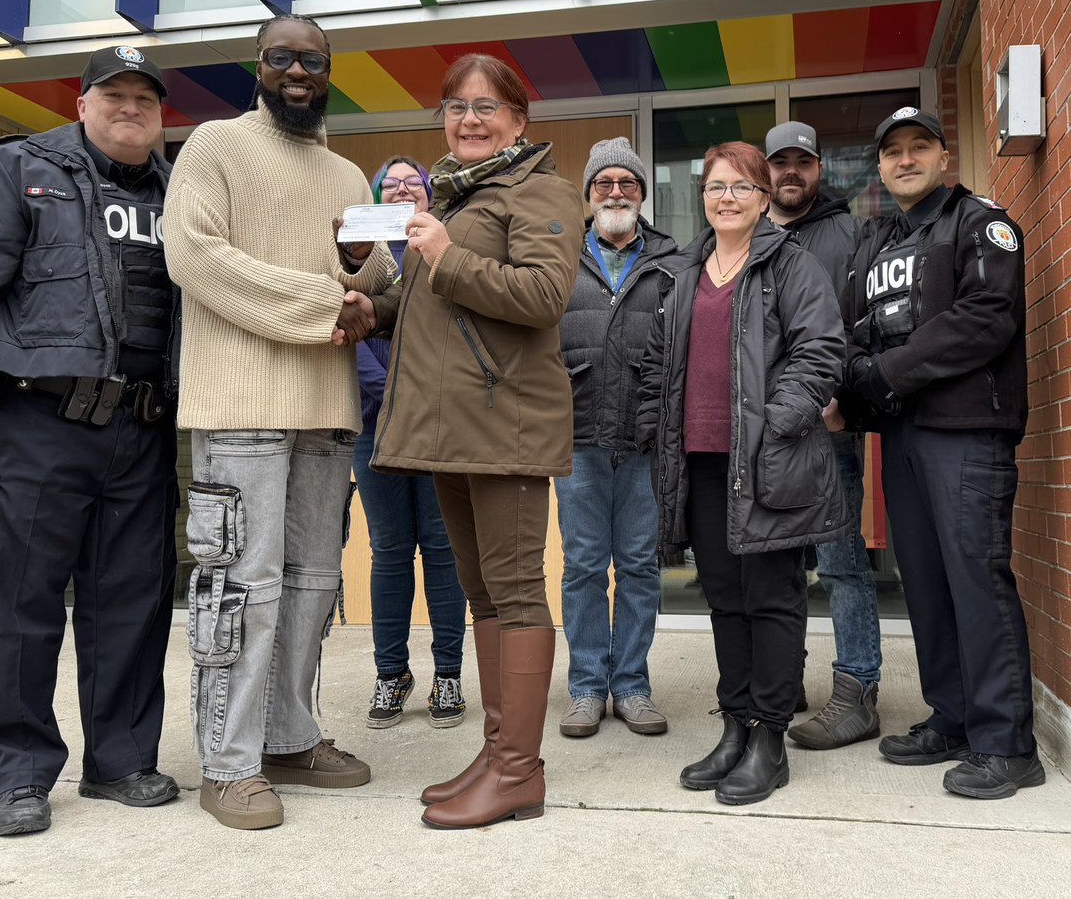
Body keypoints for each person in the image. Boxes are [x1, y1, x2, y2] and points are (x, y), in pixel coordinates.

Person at [0, 45, 181, 836]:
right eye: (114, 94)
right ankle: (20, 772)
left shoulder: (180, 191)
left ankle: (122, 760)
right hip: (40, 423)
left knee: (132, 602)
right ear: (82, 102)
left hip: (143, 428)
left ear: (161, 113)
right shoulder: (18, 170)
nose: (130, 108)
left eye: (145, 98)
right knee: (23, 603)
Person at [163, 13, 395, 830]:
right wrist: (325, 301)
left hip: (325, 412)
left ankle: (289, 736)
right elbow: (192, 255)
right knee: (240, 588)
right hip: (241, 408)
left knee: (310, 587)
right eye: (283, 57)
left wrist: (365, 281)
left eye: (314, 60)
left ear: (331, 71)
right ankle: (227, 764)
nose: (298, 70)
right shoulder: (214, 146)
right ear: (257, 65)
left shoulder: (347, 174)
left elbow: (378, 281)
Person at [344, 53, 584, 829]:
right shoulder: (460, 194)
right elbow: (429, 310)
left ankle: (519, 769)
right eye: (455, 106)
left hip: (505, 424)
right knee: (483, 596)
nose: (469, 119)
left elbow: (543, 296)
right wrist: (370, 307)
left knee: (515, 594)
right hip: (450, 430)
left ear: (519, 119)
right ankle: (496, 753)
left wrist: (446, 255)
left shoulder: (540, 190)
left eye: (486, 106)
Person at [637, 141, 847, 806]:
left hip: (768, 460)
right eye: (715, 185)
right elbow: (655, 360)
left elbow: (822, 350)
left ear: (763, 198)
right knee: (723, 598)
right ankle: (736, 723)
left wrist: (775, 422)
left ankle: (770, 738)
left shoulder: (791, 264)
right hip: (698, 460)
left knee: (773, 599)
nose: (725, 196)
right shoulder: (683, 269)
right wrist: (653, 426)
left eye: (740, 186)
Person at [843, 107, 1043, 799]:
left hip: (965, 432)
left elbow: (985, 318)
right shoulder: (880, 240)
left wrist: (889, 369)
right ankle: (954, 716)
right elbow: (859, 330)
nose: (905, 159)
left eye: (918, 147)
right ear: (879, 164)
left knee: (975, 581)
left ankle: (1007, 742)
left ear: (941, 154)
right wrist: (860, 383)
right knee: (926, 585)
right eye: (892, 150)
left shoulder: (979, 222)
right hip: (900, 435)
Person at [764, 121, 883, 750]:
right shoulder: (744, 234)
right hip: (764, 429)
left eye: (801, 162)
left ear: (818, 168)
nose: (790, 172)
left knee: (840, 564)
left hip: (827, 423)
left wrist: (844, 402)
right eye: (779, 162)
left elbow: (863, 327)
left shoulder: (850, 233)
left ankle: (857, 689)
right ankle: (785, 681)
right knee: (778, 564)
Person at [555, 137, 679, 739]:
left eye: (627, 183)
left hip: (644, 440)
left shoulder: (671, 262)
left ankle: (630, 685)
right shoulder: (558, 260)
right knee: (582, 567)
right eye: (604, 183)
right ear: (589, 194)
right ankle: (584, 688)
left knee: (637, 567)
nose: (616, 192)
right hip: (575, 437)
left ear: (641, 193)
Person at [355, 156, 468, 730]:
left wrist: (421, 403)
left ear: (429, 195)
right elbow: (352, 338)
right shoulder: (363, 257)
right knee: (391, 555)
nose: (402, 189)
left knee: (446, 556)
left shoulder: (444, 253)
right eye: (390, 184)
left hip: (440, 432)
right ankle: (390, 674)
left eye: (412, 182)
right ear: (377, 197)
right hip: (376, 432)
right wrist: (393, 398)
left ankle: (448, 674)